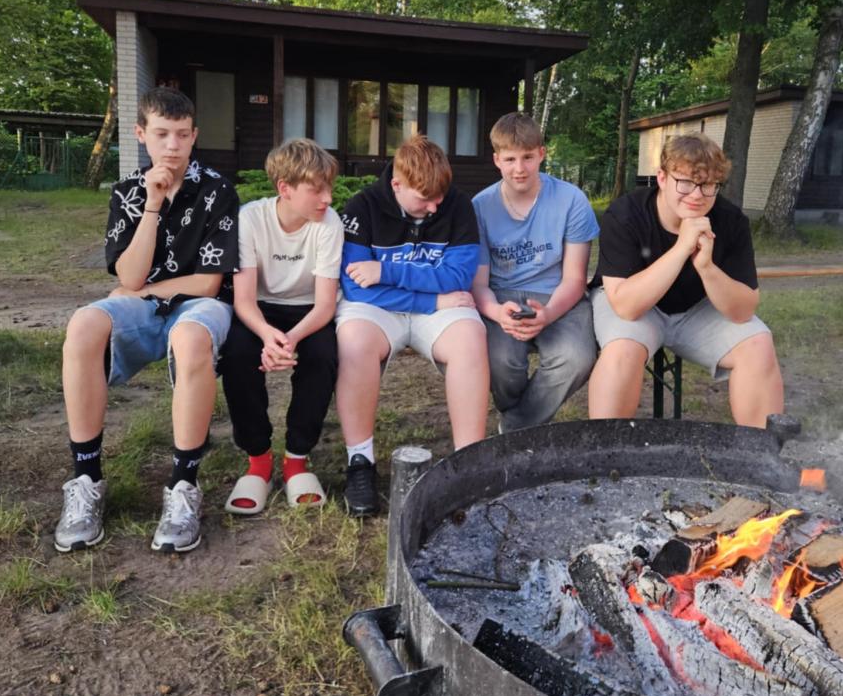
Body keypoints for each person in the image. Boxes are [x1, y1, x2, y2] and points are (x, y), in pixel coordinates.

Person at [55, 87, 239, 554]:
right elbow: (129, 275)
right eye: (161, 134)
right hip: (144, 305)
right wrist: (152, 204)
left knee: (191, 335)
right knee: (83, 325)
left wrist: (141, 291)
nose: (172, 145)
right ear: (141, 134)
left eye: (182, 134)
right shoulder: (127, 192)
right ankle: (86, 480)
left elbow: (208, 284)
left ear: (194, 135)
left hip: (197, 307)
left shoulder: (218, 190)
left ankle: (183, 486)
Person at [334, 134, 488, 516]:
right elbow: (357, 287)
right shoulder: (363, 206)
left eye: (439, 197)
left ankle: (469, 462)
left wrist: (385, 271)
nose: (435, 207)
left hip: (434, 305)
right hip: (386, 307)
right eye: (425, 198)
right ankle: (360, 462)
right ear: (397, 184)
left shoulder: (458, 205)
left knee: (470, 338)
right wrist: (430, 299)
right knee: (354, 341)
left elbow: (459, 277)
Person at [587, 134, 783, 427]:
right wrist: (681, 249)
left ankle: (763, 449)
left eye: (708, 185)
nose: (696, 195)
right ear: (662, 178)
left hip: (698, 308)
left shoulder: (730, 221)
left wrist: (706, 268)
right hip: (634, 305)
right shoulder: (625, 214)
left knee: (758, 345)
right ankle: (606, 448)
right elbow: (626, 306)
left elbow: (743, 311)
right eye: (686, 182)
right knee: (622, 349)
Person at [218, 139, 342, 515]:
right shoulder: (250, 219)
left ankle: (296, 461)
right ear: (284, 188)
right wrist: (266, 336)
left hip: (309, 311)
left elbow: (325, 305)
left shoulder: (329, 224)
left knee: (323, 355)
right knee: (238, 354)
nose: (328, 198)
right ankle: (258, 461)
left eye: (329, 187)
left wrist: (289, 340)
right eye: (316, 189)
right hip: (260, 309)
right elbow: (243, 300)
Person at [470, 113, 599, 430]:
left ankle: (516, 427)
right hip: (502, 296)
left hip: (558, 294)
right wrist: (497, 313)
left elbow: (575, 278)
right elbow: (479, 284)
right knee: (500, 362)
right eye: (510, 159)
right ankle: (519, 421)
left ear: (542, 153)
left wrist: (549, 313)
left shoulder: (571, 200)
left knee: (576, 358)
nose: (519, 168)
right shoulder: (480, 206)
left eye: (527, 157)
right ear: (497, 160)